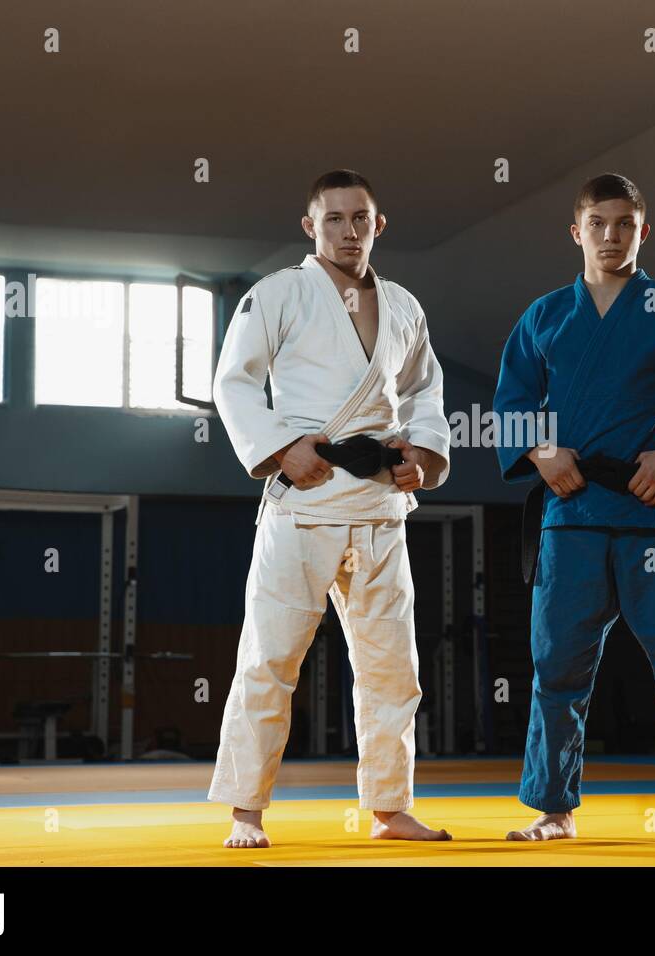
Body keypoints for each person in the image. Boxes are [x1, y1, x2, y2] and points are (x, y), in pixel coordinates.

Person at [493, 173, 655, 844]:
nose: (611, 236)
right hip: (570, 513)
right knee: (558, 666)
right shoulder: (544, 315)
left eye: (624, 224)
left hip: (650, 508)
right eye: (598, 224)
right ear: (576, 232)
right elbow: (511, 406)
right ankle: (553, 809)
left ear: (643, 231)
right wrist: (543, 452)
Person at [208, 169, 453, 847]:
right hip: (304, 500)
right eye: (335, 218)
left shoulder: (404, 305)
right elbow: (234, 383)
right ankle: (246, 810)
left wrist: (422, 457)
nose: (349, 231)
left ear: (380, 225)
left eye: (361, 218)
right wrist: (281, 448)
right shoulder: (279, 293)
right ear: (310, 225)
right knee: (270, 660)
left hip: (378, 505)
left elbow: (427, 392)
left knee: (392, 668)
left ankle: (389, 807)